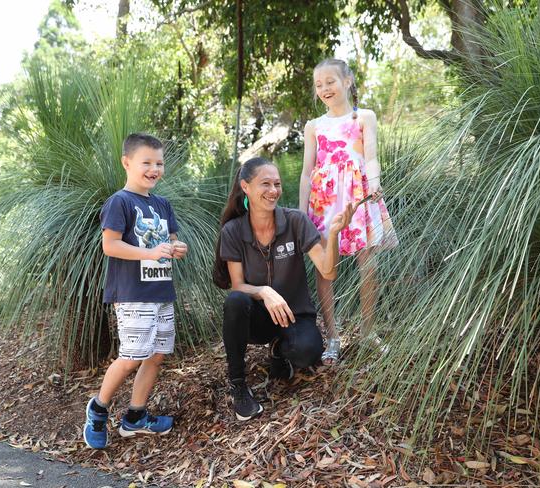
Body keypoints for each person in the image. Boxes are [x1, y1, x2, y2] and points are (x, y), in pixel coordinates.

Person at [213, 157, 354, 421]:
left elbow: (328, 271)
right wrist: (265, 292)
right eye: (265, 184)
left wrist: (334, 234)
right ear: (245, 186)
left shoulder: (296, 221)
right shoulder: (233, 230)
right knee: (235, 301)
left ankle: (280, 350)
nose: (273, 190)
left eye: (277, 184)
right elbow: (238, 285)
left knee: (308, 354)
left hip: (294, 315)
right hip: (258, 317)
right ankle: (238, 385)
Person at [83, 133, 188, 449]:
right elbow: (110, 245)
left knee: (156, 355)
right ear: (127, 163)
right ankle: (98, 409)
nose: (154, 169)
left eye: (159, 163)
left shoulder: (162, 204)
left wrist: (177, 247)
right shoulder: (120, 202)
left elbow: (169, 240)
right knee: (131, 357)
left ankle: (135, 417)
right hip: (132, 293)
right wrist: (151, 253)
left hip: (160, 292)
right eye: (147, 162)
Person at [300, 58, 398, 365]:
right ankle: (332, 335)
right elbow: (306, 172)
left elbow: (370, 157)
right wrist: (302, 212)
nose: (325, 88)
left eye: (330, 81)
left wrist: (374, 182)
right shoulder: (314, 126)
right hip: (324, 199)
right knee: (325, 267)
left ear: (347, 81)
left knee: (366, 262)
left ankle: (369, 330)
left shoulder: (363, 117)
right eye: (319, 84)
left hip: (357, 195)